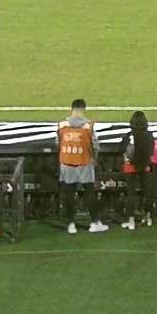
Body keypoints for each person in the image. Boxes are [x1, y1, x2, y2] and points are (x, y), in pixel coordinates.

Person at [58, 100, 111, 234]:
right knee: (89, 192)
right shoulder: (88, 126)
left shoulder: (62, 125)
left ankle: (71, 224)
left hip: (67, 162)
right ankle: (94, 223)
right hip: (84, 162)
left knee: (69, 193)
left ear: (72, 109)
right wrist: (94, 159)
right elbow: (96, 146)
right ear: (83, 109)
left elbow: (57, 143)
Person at [123, 110, 157, 230]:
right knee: (148, 192)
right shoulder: (149, 135)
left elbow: (121, 148)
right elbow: (151, 151)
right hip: (145, 165)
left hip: (130, 166)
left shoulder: (129, 135)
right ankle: (149, 218)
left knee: (131, 194)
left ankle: (131, 221)